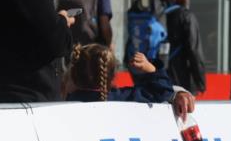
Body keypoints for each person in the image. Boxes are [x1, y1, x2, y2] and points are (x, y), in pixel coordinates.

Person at [64, 43, 195, 115]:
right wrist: (151, 69)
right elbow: (161, 92)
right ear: (111, 77)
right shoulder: (121, 98)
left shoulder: (66, 102)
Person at [158, 0, 207, 96]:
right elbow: (194, 51)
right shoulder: (186, 17)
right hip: (181, 82)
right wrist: (201, 82)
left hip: (159, 79)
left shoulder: (158, 17)